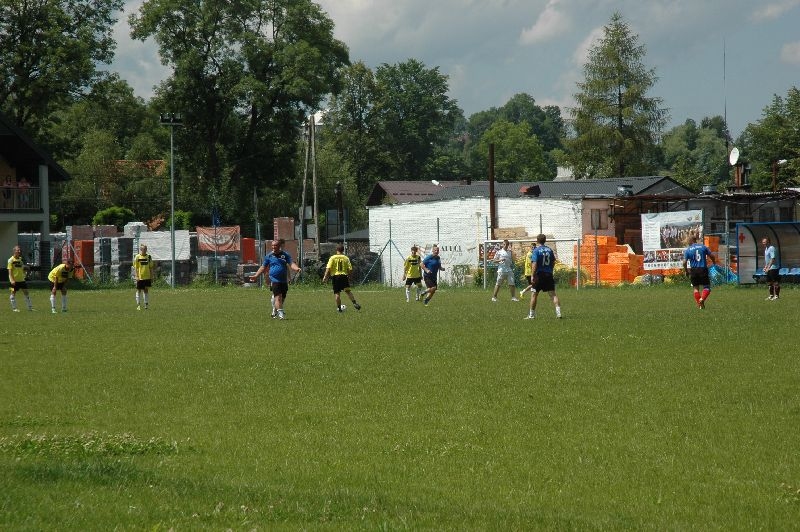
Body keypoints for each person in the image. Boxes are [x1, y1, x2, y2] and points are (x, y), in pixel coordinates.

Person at [249, 239, 300, 319]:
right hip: (274, 280)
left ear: (279, 246)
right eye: (272, 245)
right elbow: (263, 267)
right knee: (278, 297)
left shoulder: (285, 255)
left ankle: (275, 309)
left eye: (275, 245)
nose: (273, 247)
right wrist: (256, 275)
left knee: (282, 298)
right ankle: (281, 314)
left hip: (283, 280)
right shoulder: (269, 256)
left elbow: (291, 263)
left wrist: (296, 268)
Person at [525, 234, 562, 319]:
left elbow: (534, 264)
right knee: (553, 294)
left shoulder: (536, 250)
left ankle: (531, 315)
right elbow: (553, 262)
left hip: (539, 275)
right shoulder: (549, 250)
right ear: (545, 240)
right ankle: (558, 313)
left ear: (537, 241)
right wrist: (550, 270)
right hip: (548, 274)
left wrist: (532, 275)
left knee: (534, 294)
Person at [321, 244, 361, 312]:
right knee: (348, 291)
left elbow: (328, 268)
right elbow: (350, 269)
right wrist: (349, 277)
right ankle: (354, 303)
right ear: (343, 250)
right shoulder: (346, 258)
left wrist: (325, 277)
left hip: (336, 276)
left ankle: (339, 309)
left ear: (336, 250)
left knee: (337, 293)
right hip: (344, 276)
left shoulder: (332, 258)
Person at [682, 234, 717, 309]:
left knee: (695, 288)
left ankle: (700, 305)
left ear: (691, 241)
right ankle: (702, 299)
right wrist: (714, 262)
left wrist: (686, 271)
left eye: (688, 241)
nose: (687, 242)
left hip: (693, 270)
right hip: (703, 269)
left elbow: (684, 262)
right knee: (707, 287)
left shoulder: (688, 250)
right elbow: (712, 256)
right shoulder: (703, 247)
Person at [7, 245, 33, 312]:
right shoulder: (10, 260)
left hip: (22, 280)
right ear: (14, 251)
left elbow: (21, 268)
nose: (19, 251)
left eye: (19, 250)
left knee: (26, 292)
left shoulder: (20, 259)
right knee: (13, 293)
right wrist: (12, 280)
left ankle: (30, 308)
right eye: (17, 250)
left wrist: (25, 270)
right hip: (14, 281)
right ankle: (14, 308)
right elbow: (10, 271)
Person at [133, 244, 154, 310]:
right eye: (143, 249)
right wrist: (136, 276)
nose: (145, 250)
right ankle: (138, 305)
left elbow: (151, 267)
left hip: (147, 277)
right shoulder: (137, 257)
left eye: (146, 249)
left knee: (146, 290)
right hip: (140, 277)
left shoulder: (149, 257)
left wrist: (152, 276)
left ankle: (146, 305)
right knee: (138, 290)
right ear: (141, 249)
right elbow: (136, 268)